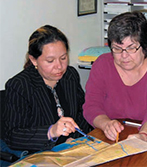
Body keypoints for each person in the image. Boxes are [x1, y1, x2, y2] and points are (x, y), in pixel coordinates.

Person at [83, 11, 147, 142]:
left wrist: (144, 136)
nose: (124, 55)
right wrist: (105, 124)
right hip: (108, 137)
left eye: (131, 48)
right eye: (117, 48)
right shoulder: (102, 64)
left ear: (144, 46)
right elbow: (91, 106)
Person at [3, 25, 92, 154]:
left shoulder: (70, 76)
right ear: (34, 60)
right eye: (50, 61)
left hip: (72, 150)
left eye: (63, 58)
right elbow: (13, 136)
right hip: (40, 154)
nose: (59, 66)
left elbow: (81, 113)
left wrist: (76, 139)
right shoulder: (19, 86)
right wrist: (51, 132)